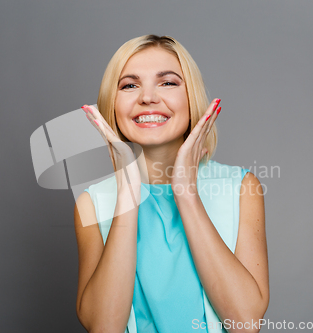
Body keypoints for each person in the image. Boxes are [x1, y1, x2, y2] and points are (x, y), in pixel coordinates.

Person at [74, 35, 269, 333]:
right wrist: (127, 192)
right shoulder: (93, 203)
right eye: (129, 85)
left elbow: (245, 322)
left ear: (191, 98)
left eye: (167, 83)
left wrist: (186, 194)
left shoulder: (242, 188)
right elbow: (104, 328)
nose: (148, 97)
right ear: (111, 104)